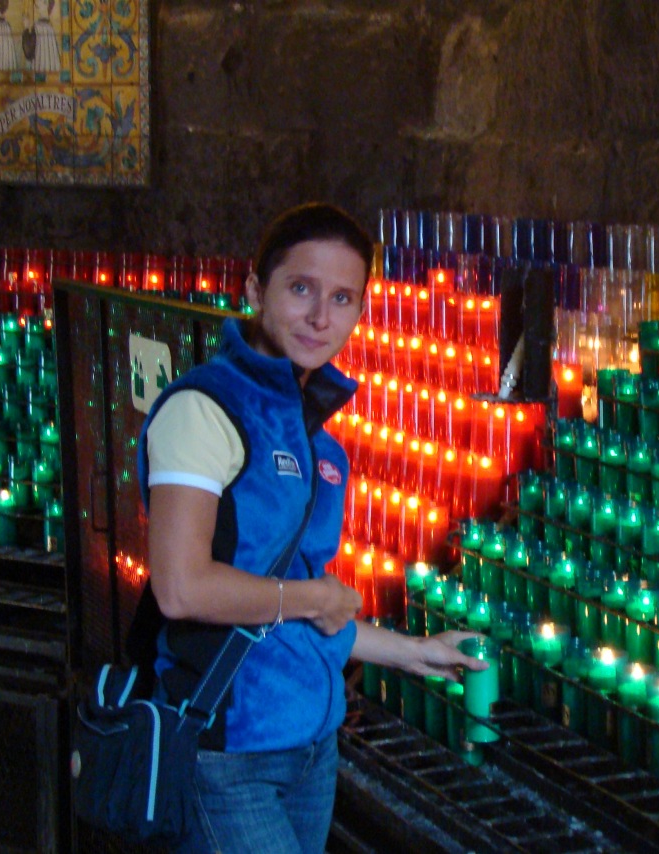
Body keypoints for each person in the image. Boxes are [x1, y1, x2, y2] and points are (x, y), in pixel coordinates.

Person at [137, 202, 485, 854]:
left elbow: (300, 612)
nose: (322, 317)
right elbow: (181, 589)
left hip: (311, 747)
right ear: (254, 291)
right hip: (228, 750)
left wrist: (413, 652)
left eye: (342, 298)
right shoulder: (203, 410)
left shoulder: (320, 443)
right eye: (301, 288)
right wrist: (315, 597)